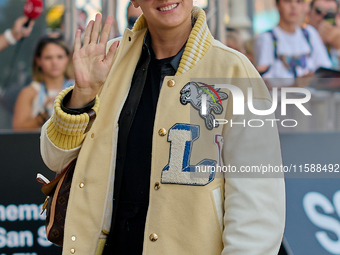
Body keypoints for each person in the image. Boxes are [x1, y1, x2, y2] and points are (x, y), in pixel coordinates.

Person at [40, 1, 285, 254]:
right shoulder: (108, 59)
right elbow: (54, 159)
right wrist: (83, 94)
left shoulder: (234, 72)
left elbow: (258, 212)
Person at [256, 0, 331, 80]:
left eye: (298, 2)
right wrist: (295, 85)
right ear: (277, 5)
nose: (293, 6)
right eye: (287, 1)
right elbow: (262, 82)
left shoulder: (309, 34)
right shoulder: (267, 38)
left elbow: (325, 70)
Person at [12, 37, 74, 130]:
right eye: (48, 57)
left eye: (60, 57)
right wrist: (43, 116)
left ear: (67, 59)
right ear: (38, 61)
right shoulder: (29, 92)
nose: (54, 62)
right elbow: (17, 129)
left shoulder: (77, 88)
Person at [308, 0, 340, 67]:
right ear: (309, 14)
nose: (324, 16)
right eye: (318, 11)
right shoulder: (302, 37)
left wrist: (338, 47)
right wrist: (318, 40)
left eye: (330, 13)